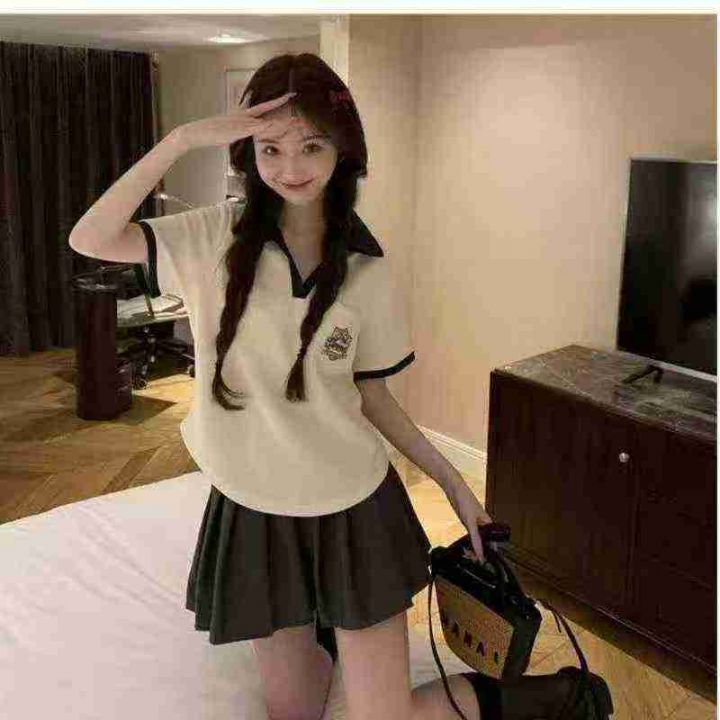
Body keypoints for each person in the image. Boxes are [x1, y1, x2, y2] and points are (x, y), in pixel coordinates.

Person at [69, 52, 611, 720]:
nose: (290, 167)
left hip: (350, 508)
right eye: (270, 148)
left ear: (342, 150)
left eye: (311, 146)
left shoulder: (365, 267)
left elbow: (372, 396)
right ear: (248, 153)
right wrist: (181, 140)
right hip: (255, 511)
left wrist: (455, 486)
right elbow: (90, 237)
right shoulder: (210, 235)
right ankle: (327, 631)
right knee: (292, 713)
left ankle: (559, 697)